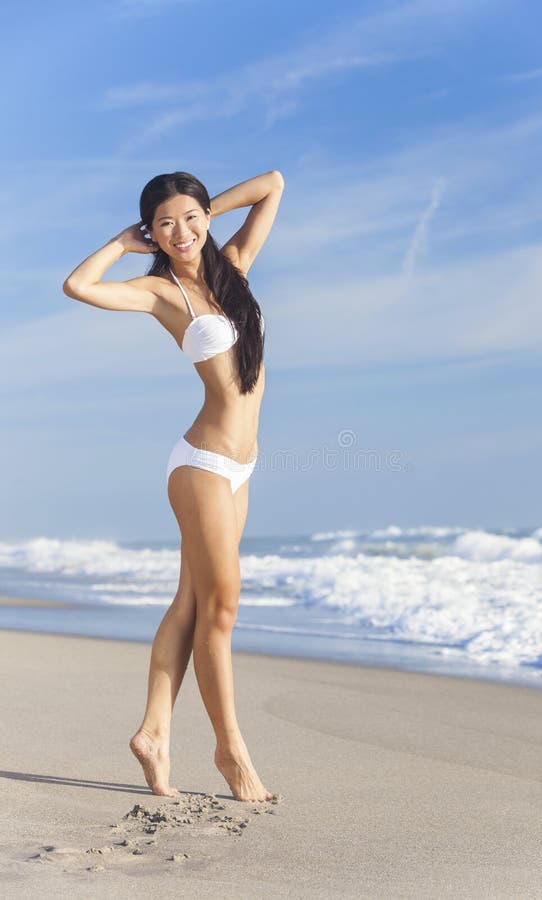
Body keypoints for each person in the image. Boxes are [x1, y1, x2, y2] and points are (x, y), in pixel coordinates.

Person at [63, 169, 285, 802]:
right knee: (222, 609)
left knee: (191, 604)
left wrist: (203, 209)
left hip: (240, 468)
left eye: (189, 218)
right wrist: (120, 241)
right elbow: (79, 285)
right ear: (150, 233)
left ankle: (155, 733)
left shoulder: (235, 268)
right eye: (165, 224)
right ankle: (231, 753)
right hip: (202, 465)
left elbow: (272, 184)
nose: (181, 232)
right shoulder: (159, 292)